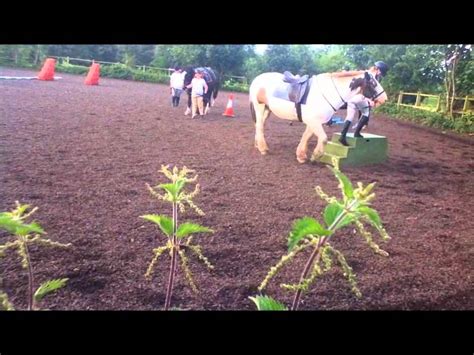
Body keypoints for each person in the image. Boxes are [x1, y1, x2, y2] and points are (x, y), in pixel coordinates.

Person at [339, 61, 389, 146]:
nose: (380, 74)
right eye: (381, 72)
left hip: (351, 98)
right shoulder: (370, 77)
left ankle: (342, 136)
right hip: (359, 97)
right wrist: (369, 100)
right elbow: (365, 91)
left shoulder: (365, 73)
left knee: (350, 116)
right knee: (366, 113)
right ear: (379, 70)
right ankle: (357, 133)